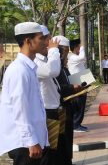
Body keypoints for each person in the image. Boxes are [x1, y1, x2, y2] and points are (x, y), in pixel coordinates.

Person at [0, 22, 49, 165]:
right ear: (28, 41)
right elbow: (19, 110)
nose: (45, 42)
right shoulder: (19, 70)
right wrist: (32, 141)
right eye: (41, 38)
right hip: (24, 144)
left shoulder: (29, 68)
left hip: (30, 141)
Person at [35, 26, 62, 165]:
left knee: (52, 150)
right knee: (47, 153)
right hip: (45, 110)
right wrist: (53, 51)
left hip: (51, 109)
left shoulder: (44, 59)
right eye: (48, 39)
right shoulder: (36, 62)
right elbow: (53, 71)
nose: (51, 42)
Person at [54, 35, 82, 164]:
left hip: (68, 107)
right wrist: (73, 88)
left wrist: (83, 83)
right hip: (59, 109)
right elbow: (59, 88)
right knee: (61, 142)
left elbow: (70, 80)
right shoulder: (54, 69)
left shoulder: (63, 68)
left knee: (67, 139)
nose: (65, 54)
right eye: (64, 51)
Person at [67, 38, 88, 132]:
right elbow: (82, 58)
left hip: (81, 80)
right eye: (79, 47)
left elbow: (83, 60)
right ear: (75, 47)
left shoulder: (75, 56)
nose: (80, 48)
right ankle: (75, 125)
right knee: (78, 103)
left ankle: (78, 123)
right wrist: (83, 48)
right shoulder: (71, 56)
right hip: (76, 81)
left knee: (82, 103)